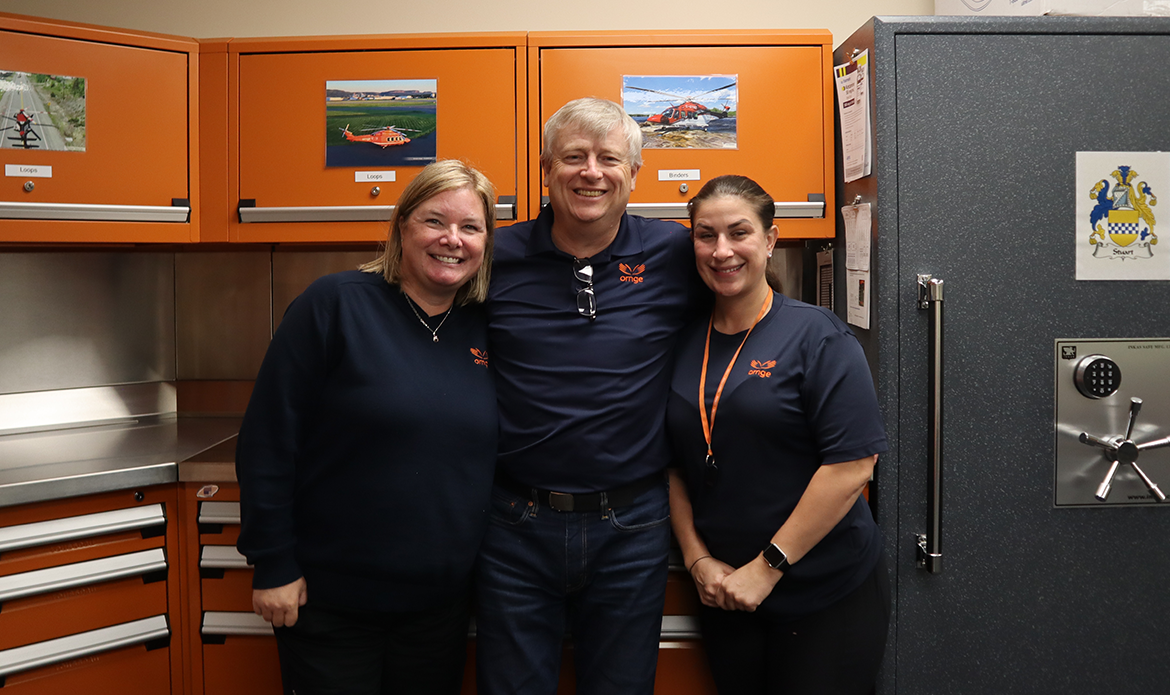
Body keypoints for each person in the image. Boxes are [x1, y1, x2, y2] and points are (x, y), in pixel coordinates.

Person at [235, 159, 499, 695]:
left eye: (470, 227)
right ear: (401, 225)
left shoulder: (487, 326)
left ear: (486, 243)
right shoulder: (333, 305)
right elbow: (268, 442)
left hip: (439, 610)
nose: (452, 240)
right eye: (434, 221)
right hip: (332, 604)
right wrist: (273, 564)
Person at [478, 97, 703, 695]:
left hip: (633, 524)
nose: (591, 172)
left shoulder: (674, 253)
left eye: (609, 158)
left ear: (634, 173)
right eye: (573, 157)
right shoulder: (495, 255)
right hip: (514, 524)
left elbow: (745, 312)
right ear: (546, 169)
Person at [666, 175, 890, 695]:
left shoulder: (819, 336)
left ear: (769, 240)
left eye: (738, 232)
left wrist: (767, 568)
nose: (722, 250)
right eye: (706, 235)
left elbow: (853, 466)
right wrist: (698, 558)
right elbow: (674, 464)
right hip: (726, 594)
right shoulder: (681, 341)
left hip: (822, 593)